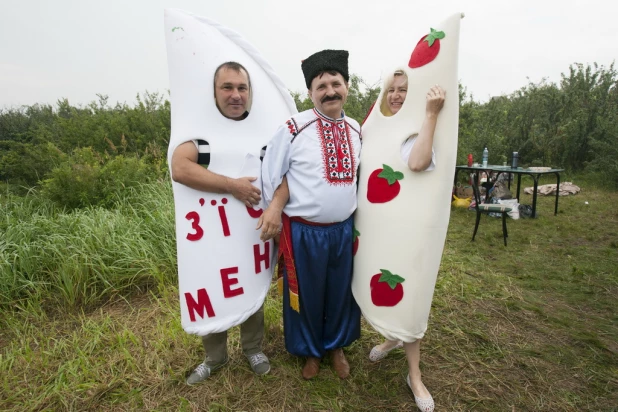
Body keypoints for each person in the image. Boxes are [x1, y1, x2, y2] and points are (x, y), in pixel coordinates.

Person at [260, 49, 361, 380]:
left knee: (340, 290)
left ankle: (336, 347)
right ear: (310, 92)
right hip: (303, 232)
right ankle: (310, 352)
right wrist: (274, 208)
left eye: (336, 83)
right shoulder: (294, 128)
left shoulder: (358, 129)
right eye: (321, 85)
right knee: (305, 292)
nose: (330, 91)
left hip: (344, 230)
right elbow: (275, 174)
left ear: (347, 86)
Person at [171, 61, 270, 385]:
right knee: (212, 288)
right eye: (227, 87)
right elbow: (180, 168)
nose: (235, 95)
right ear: (214, 93)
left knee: (250, 286)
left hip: (249, 233)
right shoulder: (201, 135)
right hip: (211, 237)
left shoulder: (262, 132)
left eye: (242, 88)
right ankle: (215, 357)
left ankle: (253, 348)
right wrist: (232, 185)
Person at [367, 70, 445, 412]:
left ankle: (414, 375)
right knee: (387, 285)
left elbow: (416, 162)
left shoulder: (426, 128)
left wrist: (430, 114)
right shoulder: (382, 130)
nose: (396, 96)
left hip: (412, 232)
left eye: (403, 90)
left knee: (411, 300)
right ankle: (391, 337)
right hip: (383, 230)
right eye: (391, 90)